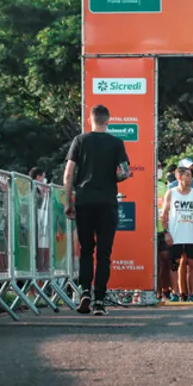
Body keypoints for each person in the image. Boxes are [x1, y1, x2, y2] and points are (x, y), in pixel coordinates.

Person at [63, 104, 131, 316]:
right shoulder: (116, 142)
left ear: (90, 120)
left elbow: (68, 174)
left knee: (86, 251)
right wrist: (116, 177)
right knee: (104, 253)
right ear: (107, 121)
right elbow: (125, 172)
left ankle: (84, 292)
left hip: (84, 201)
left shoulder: (80, 141)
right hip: (107, 203)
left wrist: (68, 202)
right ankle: (99, 301)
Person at [162, 167, 193, 302]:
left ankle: (192, 294)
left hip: (191, 235)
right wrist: (167, 233)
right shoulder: (171, 193)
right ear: (179, 177)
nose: (191, 179)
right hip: (175, 235)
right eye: (188, 176)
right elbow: (164, 214)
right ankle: (176, 293)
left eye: (191, 176)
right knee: (174, 265)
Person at [157, 171, 171, 300]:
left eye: (160, 167)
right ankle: (155, 291)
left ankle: (165, 291)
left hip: (161, 230)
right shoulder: (143, 184)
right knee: (153, 263)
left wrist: (167, 229)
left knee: (164, 260)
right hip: (146, 230)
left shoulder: (163, 186)